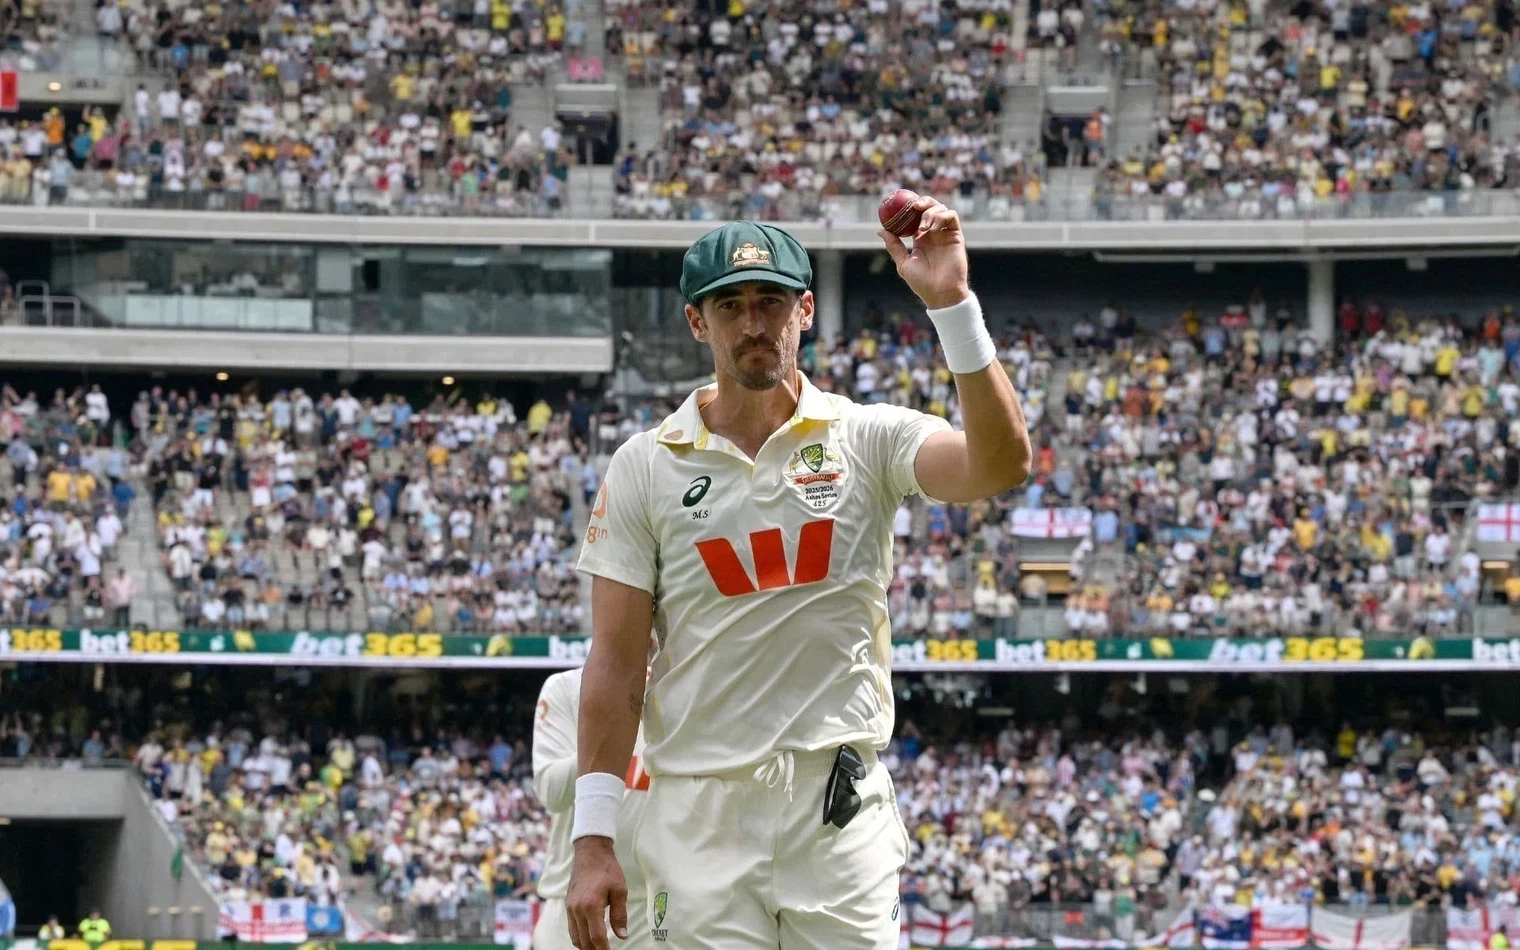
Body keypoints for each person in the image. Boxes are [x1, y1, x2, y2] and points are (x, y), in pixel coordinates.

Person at [567, 204, 1032, 950]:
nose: (754, 324)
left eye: (771, 301)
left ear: (804, 310)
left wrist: (952, 304)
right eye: (730, 305)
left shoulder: (869, 437)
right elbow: (617, 664)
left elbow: (1000, 464)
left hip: (836, 809)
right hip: (698, 813)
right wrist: (593, 838)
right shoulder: (644, 466)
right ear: (697, 322)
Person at [533, 664, 652, 950]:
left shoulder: (683, 687)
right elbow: (551, 790)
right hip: (574, 904)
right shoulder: (566, 686)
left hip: (655, 906)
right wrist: (612, 743)